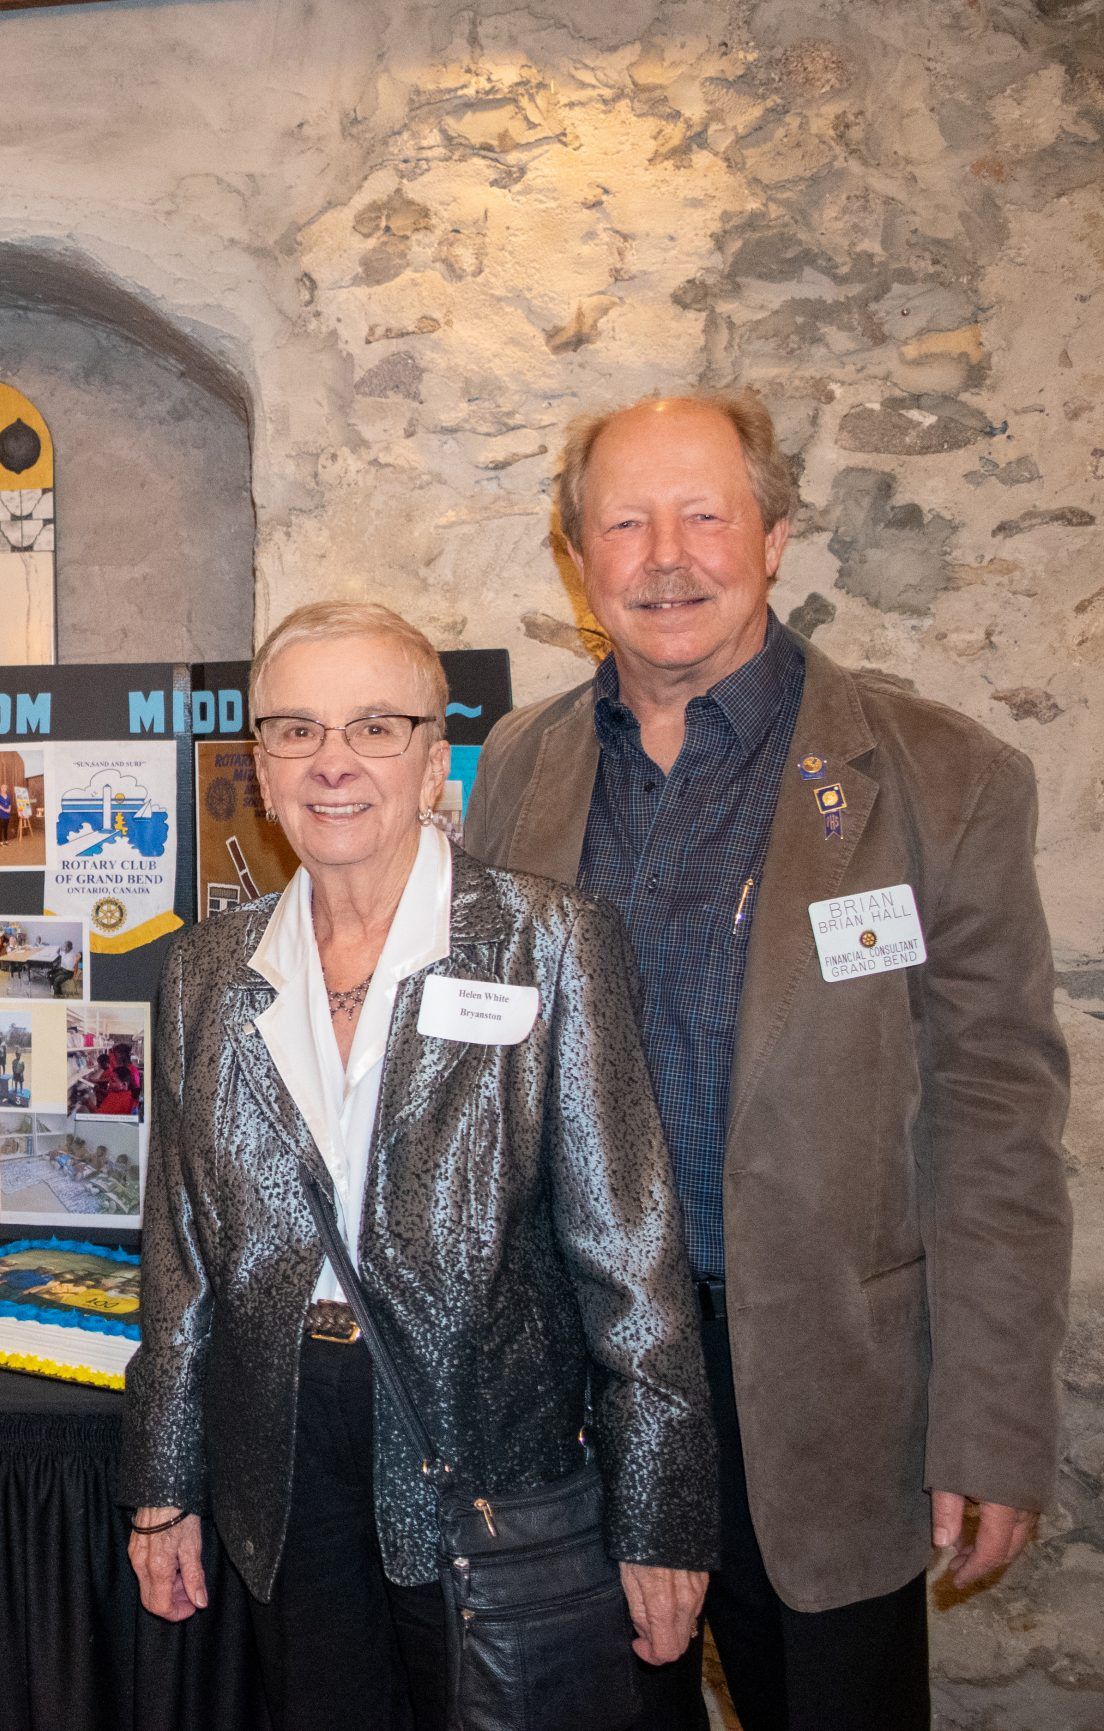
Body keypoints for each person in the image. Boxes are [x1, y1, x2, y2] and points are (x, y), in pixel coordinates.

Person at [465, 392, 1073, 1731]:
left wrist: (993, 1421)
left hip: (819, 1399)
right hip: (580, 1387)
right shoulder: (520, 765)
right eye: (624, 521)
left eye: (703, 513)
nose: (664, 554)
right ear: (579, 556)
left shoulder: (938, 777)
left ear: (776, 533)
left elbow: (997, 1121)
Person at [120, 601, 716, 1731]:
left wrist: (660, 1516)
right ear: (259, 763)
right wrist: (161, 1490)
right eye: (294, 731)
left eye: (374, 728)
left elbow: (632, 1259)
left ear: (436, 758)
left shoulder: (547, 942)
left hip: (493, 1448)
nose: (332, 763)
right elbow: (180, 1255)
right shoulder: (206, 971)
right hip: (283, 1451)